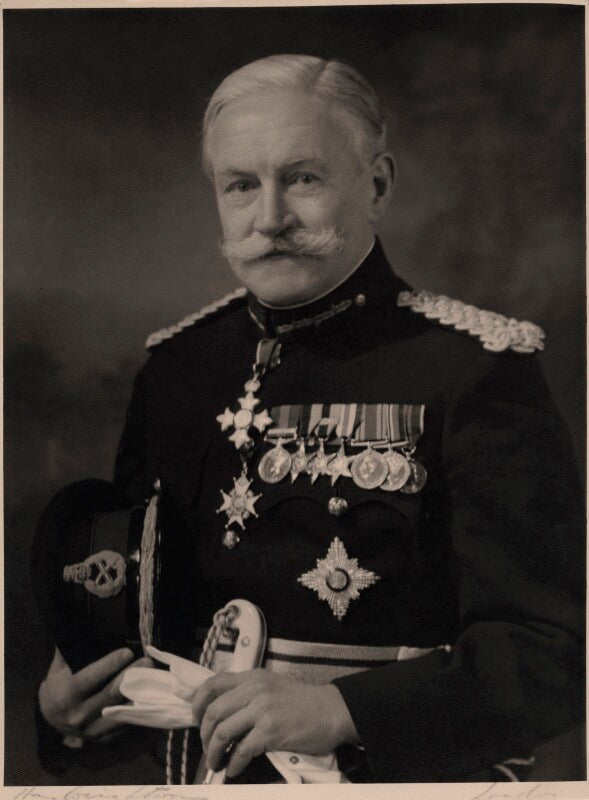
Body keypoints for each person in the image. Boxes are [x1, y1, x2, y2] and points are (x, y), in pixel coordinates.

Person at [34, 54, 584, 784]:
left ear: (377, 186)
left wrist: (343, 710)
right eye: (240, 185)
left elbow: (555, 652)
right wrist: (72, 713)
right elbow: (138, 623)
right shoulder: (176, 370)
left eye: (302, 178)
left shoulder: (471, 370)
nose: (270, 219)